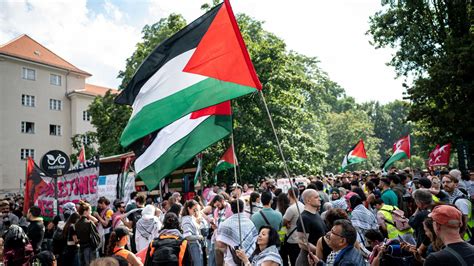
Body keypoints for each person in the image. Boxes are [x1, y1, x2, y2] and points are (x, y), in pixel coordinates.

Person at [216, 199, 258, 266]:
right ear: (243, 208)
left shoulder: (225, 224)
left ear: (231, 209)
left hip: (231, 260)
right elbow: (255, 239)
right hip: (248, 260)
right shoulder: (250, 222)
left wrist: (229, 241)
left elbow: (220, 244)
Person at [295, 189, 327, 266]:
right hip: (308, 260)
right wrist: (319, 250)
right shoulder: (304, 218)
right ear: (308, 200)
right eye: (316, 197)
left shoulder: (316, 213)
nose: (320, 199)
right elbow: (302, 242)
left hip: (318, 258)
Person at [282, 187, 304, 266]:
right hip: (300, 239)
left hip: (292, 239)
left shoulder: (291, 209)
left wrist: (286, 224)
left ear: (289, 194)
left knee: (293, 260)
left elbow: (283, 223)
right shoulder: (302, 205)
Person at [75, 200, 99, 265]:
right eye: (90, 210)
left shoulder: (77, 223)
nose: (91, 212)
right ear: (85, 211)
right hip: (89, 249)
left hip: (81, 247)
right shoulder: (89, 223)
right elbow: (96, 236)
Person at [181, 200, 204, 266]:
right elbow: (187, 236)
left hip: (195, 246)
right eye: (194, 209)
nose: (196, 211)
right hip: (192, 246)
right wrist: (199, 237)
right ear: (188, 208)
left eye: (197, 209)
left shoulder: (191, 218)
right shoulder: (186, 219)